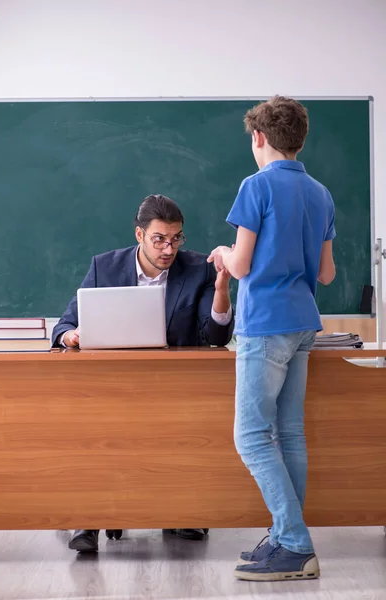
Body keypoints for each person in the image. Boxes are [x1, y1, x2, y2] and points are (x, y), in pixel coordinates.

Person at [52, 193, 234, 552]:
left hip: (174, 388)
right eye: (159, 239)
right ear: (139, 235)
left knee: (183, 430)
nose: (169, 249)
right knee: (92, 431)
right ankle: (88, 518)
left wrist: (221, 291)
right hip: (113, 386)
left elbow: (215, 337)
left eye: (176, 238)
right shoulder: (105, 267)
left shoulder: (197, 269)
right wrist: (71, 336)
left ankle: (181, 510)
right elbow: (65, 324)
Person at [208, 96, 336, 582]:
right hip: (305, 320)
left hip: (264, 324)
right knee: (289, 435)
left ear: (258, 137)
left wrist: (222, 250)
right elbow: (326, 274)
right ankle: (286, 539)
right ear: (299, 139)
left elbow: (239, 265)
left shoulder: (255, 186)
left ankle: (295, 543)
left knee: (251, 437)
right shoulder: (321, 192)